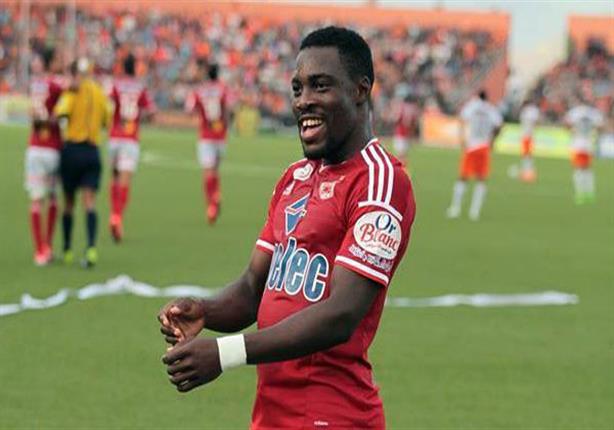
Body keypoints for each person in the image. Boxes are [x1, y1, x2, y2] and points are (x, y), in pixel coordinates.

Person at [159, 27, 416, 429]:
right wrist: (205, 311)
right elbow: (252, 288)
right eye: (298, 88)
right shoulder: (295, 177)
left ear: (360, 90)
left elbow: (342, 312)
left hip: (332, 414)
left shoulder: (380, 181)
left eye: (320, 86)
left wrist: (225, 353)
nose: (303, 101)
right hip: (272, 413)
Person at [54, 58, 110, 267]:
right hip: (92, 151)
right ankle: (91, 248)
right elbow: (106, 119)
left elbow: (61, 113)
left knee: (69, 202)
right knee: (90, 202)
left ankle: (67, 249)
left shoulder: (72, 90)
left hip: (73, 149)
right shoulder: (99, 92)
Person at [108, 53, 155, 242]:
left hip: (114, 137)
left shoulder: (116, 85)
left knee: (114, 177)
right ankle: (117, 216)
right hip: (130, 138)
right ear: (134, 67)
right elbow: (151, 112)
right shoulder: (140, 87)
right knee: (125, 181)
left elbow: (109, 106)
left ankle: (113, 212)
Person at [25, 49, 63, 265]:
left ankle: (39, 250)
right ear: (52, 62)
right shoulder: (56, 85)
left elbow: (32, 113)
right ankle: (47, 245)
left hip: (34, 147)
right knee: (53, 198)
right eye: (58, 59)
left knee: (36, 199)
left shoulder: (35, 84)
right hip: (52, 148)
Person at [446, 90, 502, 221]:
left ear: (477, 97)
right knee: (481, 179)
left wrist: (462, 138)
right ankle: (474, 211)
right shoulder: (491, 109)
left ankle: (455, 208)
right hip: (484, 147)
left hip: (472, 146)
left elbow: (462, 119)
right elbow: (499, 125)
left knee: (463, 178)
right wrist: (492, 140)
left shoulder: (473, 105)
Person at [185, 63, 230, 224]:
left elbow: (190, 109)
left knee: (207, 171)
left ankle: (211, 204)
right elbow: (227, 109)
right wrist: (225, 127)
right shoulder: (223, 89)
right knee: (215, 169)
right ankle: (216, 195)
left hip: (206, 135)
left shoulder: (200, 90)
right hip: (220, 135)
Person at [564, 100, 604, 204]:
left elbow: (567, 124)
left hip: (577, 144)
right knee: (587, 169)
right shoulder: (594, 113)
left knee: (578, 169)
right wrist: (594, 133)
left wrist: (572, 130)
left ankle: (580, 193)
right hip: (589, 144)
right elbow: (600, 127)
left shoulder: (575, 111)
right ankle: (590, 192)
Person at [390, 86, 421, 168]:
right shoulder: (413, 108)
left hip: (400, 133)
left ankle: (402, 171)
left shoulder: (402, 107)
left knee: (400, 156)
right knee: (404, 156)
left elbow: (396, 119)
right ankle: (403, 170)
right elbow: (414, 122)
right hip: (407, 134)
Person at [518, 99, 540, 182]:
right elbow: (536, 122)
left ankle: (528, 173)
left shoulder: (528, 112)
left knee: (527, 155)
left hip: (527, 136)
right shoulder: (531, 111)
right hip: (528, 135)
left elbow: (534, 122)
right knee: (527, 155)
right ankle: (527, 172)